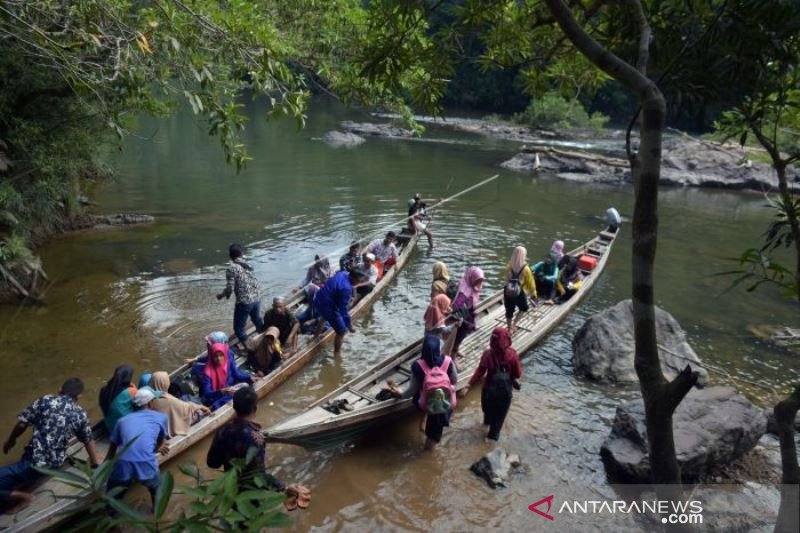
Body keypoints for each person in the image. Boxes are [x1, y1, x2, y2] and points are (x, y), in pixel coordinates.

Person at [1, 378, 99, 513]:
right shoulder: (80, 414)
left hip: (34, 461)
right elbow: (88, 440)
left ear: (60, 390)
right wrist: (95, 464)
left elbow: (22, 423)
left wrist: (11, 441)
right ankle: (24, 483)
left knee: (20, 470)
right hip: (54, 464)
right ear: (79, 396)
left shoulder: (45, 400)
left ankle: (25, 497)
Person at [388, 334, 457, 451]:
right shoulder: (448, 361)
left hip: (426, 403)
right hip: (445, 403)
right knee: (435, 432)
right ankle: (425, 427)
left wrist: (398, 395)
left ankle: (427, 452)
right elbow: (454, 381)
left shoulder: (417, 365)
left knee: (429, 443)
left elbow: (410, 392)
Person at [105, 387, 169, 508]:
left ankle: (111, 520)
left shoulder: (122, 421)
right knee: (157, 490)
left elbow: (112, 450)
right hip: (146, 463)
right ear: (150, 403)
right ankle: (156, 516)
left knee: (112, 498)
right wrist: (157, 448)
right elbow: (160, 440)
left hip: (123, 464)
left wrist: (104, 469)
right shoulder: (161, 417)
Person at [461, 327, 522, 442]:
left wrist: (468, 385)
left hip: (488, 391)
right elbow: (518, 374)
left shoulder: (487, 354)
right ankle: (489, 445)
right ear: (507, 339)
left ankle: (485, 425)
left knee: (487, 413)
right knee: (498, 420)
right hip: (504, 393)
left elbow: (480, 372)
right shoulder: (512, 355)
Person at [313, 269, 369, 356]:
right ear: (353, 278)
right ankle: (337, 354)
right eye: (358, 281)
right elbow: (343, 311)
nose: (359, 282)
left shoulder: (342, 273)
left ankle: (315, 337)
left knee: (323, 317)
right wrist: (349, 326)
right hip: (327, 306)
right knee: (342, 331)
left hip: (319, 298)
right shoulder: (346, 288)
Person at [217, 244, 264, 343]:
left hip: (245, 301)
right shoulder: (248, 265)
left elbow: (230, 288)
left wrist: (221, 296)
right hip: (257, 298)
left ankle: (249, 348)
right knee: (257, 320)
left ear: (230, 255)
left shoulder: (231, 268)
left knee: (238, 329)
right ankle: (264, 339)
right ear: (242, 254)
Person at [196, 340, 254, 411]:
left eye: (221, 355)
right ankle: (214, 406)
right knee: (238, 395)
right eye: (216, 356)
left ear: (224, 355)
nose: (219, 358)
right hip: (215, 396)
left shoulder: (226, 364)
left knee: (245, 385)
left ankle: (218, 404)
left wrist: (250, 377)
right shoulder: (207, 372)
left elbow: (236, 375)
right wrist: (222, 391)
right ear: (211, 357)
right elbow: (207, 394)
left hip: (227, 390)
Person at [150, 371, 210, 437]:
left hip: (156, 433)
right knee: (199, 412)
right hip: (167, 431)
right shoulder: (167, 399)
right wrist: (200, 407)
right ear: (165, 383)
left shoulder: (149, 399)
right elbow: (186, 408)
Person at [449, 266, 485, 359]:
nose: (480, 283)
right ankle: (453, 354)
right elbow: (456, 306)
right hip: (461, 317)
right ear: (472, 278)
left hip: (468, 313)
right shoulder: (464, 291)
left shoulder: (473, 286)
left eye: (481, 280)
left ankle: (457, 349)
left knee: (464, 334)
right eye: (478, 280)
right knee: (459, 335)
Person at [503, 246, 537, 334]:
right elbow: (531, 283)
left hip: (507, 290)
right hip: (519, 292)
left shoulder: (509, 266)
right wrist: (534, 294)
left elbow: (506, 279)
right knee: (524, 308)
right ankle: (514, 324)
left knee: (509, 310)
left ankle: (509, 328)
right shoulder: (526, 268)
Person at [98, 365, 137, 433]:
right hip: (126, 430)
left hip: (110, 427)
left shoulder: (104, 389)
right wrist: (134, 388)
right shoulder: (131, 391)